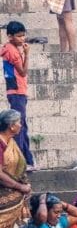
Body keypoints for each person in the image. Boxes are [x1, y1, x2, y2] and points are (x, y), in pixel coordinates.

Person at [0, 109, 31, 228]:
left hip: (14, 193)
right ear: (11, 126)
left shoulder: (10, 142)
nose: (21, 125)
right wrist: (20, 187)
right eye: (18, 122)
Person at [1, 22, 34, 167]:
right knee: (18, 127)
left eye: (23, 35)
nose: (22, 39)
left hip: (17, 92)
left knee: (23, 126)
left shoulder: (10, 48)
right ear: (10, 36)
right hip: (17, 92)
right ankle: (19, 161)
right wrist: (27, 54)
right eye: (19, 36)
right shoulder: (12, 51)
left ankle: (27, 160)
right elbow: (23, 72)